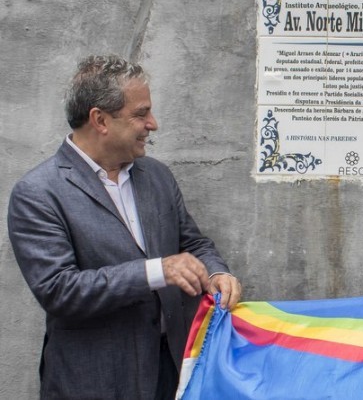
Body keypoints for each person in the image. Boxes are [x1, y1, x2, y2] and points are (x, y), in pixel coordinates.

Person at [7, 55, 243, 399]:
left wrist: (218, 273)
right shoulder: (38, 193)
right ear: (99, 120)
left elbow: (193, 242)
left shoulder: (157, 176)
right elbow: (59, 291)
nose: (153, 124)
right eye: (140, 113)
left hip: (170, 373)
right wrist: (157, 271)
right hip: (93, 382)